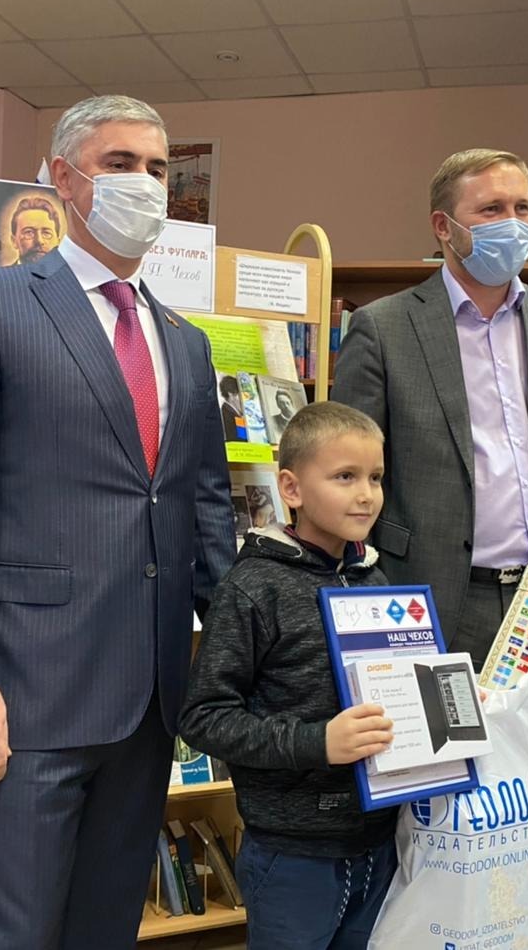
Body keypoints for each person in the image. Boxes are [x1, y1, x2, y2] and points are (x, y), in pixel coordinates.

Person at [0, 94, 236, 949]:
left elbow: (201, 509)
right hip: (24, 696)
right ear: (62, 178)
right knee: (14, 933)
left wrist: (246, 656)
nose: (144, 183)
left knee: (106, 926)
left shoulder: (185, 342)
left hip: (149, 699)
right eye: (120, 164)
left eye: (157, 169)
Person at [331, 148, 528, 707]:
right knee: (429, 755)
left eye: (522, 207)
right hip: (420, 598)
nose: (513, 223)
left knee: (519, 756)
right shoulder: (383, 327)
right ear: (444, 227)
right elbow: (346, 477)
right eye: (490, 209)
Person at [180, 401, 397, 950]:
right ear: (291, 489)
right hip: (293, 852)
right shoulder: (254, 588)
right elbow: (204, 718)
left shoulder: (377, 580)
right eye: (345, 477)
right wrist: (317, 742)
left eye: (375, 477)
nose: (366, 494)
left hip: (379, 840)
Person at [8, 195, 62, 265]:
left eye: (46, 233)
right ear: (14, 241)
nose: (39, 241)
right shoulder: (0, 272)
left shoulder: (69, 271)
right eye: (29, 232)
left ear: (58, 242)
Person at [219, 373, 244, 441]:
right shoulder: (227, 414)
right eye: (240, 395)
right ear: (231, 395)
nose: (243, 400)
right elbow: (241, 438)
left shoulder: (229, 411)